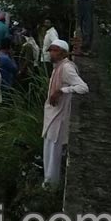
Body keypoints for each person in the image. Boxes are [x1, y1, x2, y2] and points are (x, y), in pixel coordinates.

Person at [42, 40, 89, 186]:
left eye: (55, 50)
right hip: (52, 113)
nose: (51, 53)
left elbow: (83, 87)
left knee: (53, 152)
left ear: (62, 52)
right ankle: (48, 181)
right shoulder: (58, 67)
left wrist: (62, 90)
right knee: (48, 150)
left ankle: (51, 183)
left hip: (58, 116)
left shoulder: (67, 68)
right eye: (51, 50)